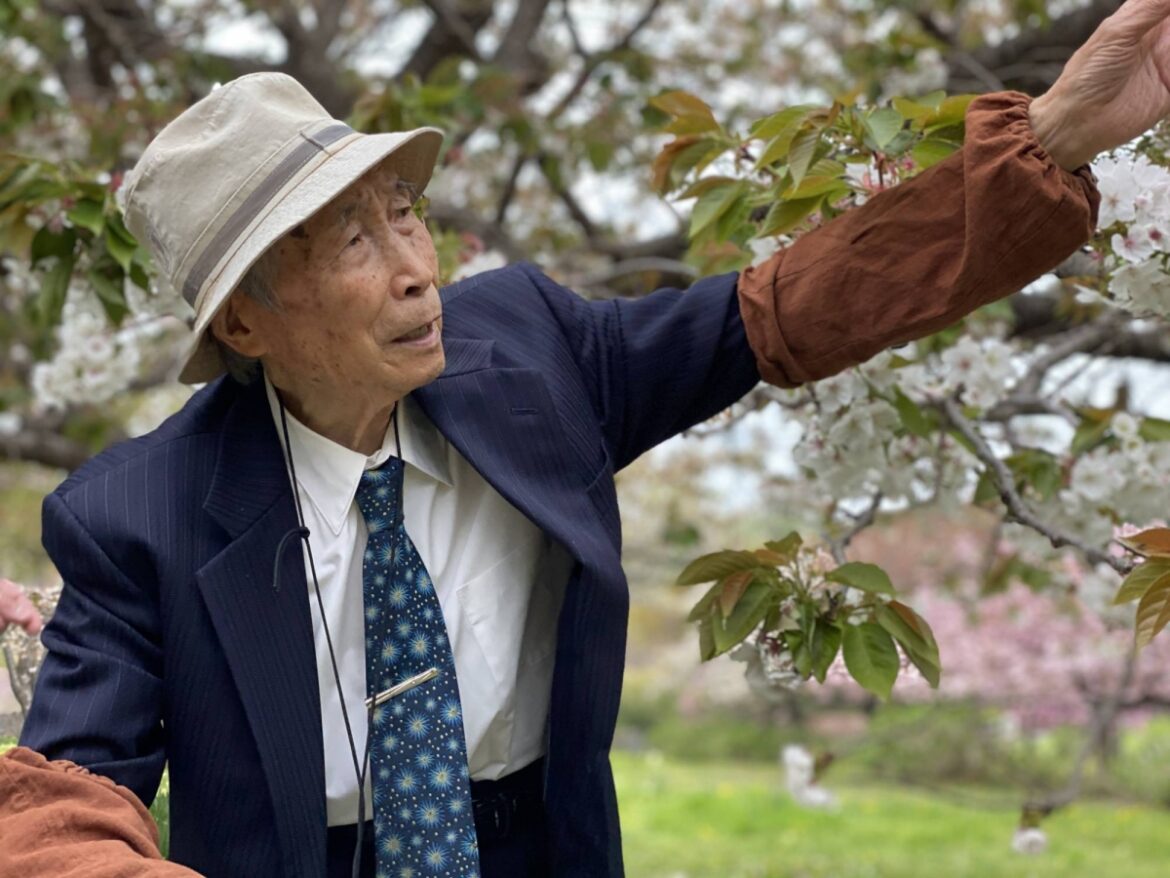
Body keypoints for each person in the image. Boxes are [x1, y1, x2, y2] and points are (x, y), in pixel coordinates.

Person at [3, 1, 1169, 875]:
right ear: (246, 319)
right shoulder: (134, 514)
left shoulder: (533, 357)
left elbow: (779, 309)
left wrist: (1052, 141)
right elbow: (62, 801)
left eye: (404, 212)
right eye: (352, 242)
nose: (418, 270)